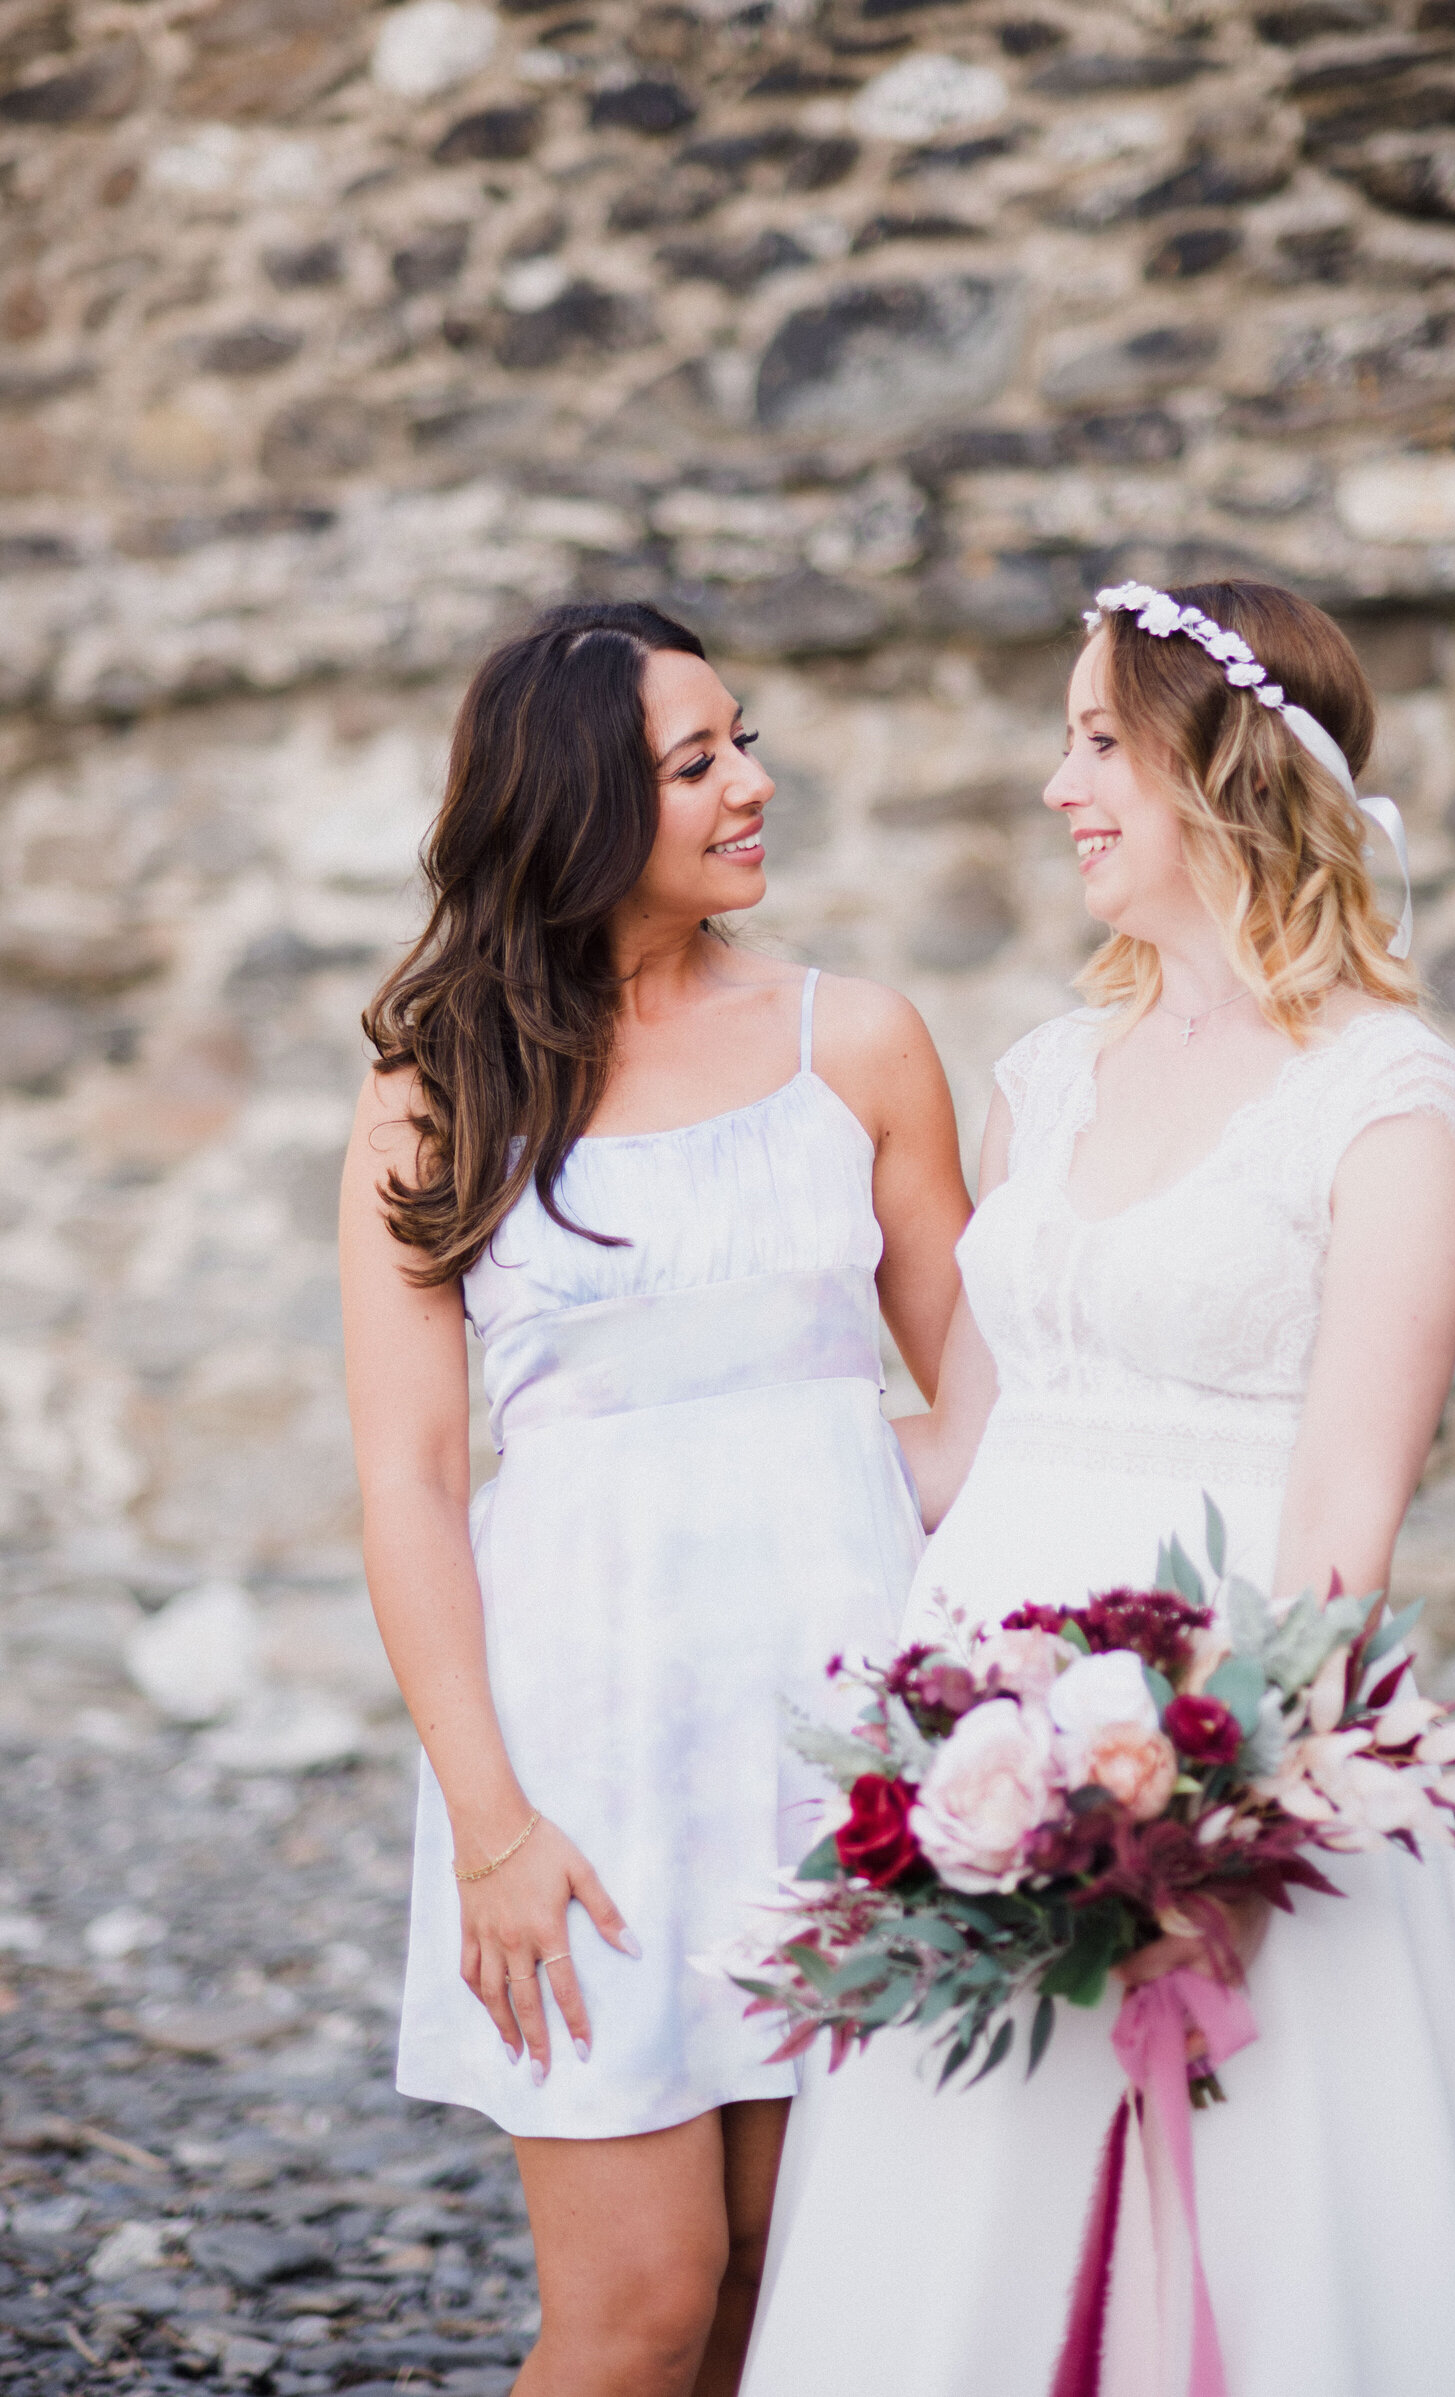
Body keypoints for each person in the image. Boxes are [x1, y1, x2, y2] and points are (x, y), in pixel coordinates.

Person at [742, 580, 1455, 2397]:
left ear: (1222, 770)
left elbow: (1344, 1529)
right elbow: (965, 1436)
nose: (1061, 782)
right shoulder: (1048, 1078)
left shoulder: (1392, 1102)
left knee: (1252, 2229)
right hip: (970, 1726)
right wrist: (683, 1460)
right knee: (953, 2202)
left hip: (1220, 1739)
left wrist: (1200, 1807)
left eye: (1099, 738)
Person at [337, 600, 969, 2397]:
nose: (753, 785)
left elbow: (993, 1400)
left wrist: (838, 1485)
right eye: (699, 765)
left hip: (844, 1755)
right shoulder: (435, 1092)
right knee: (639, 2311)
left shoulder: (861, 1044)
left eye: (741, 739)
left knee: (785, 2285)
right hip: (582, 1766)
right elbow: (409, 1478)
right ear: (580, 808)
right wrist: (489, 1824)